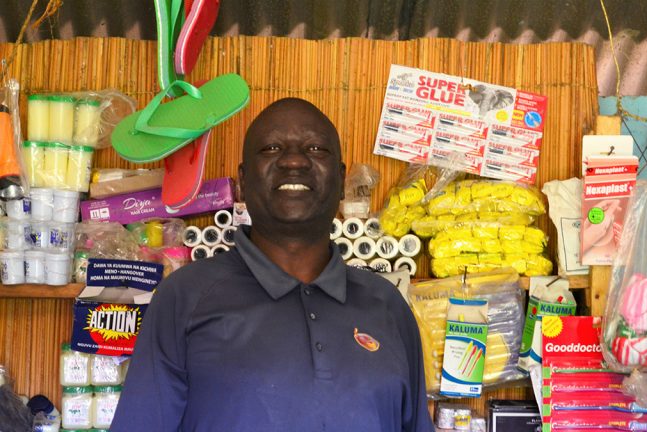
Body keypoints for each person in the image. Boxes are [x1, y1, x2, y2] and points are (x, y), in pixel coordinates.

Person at [111, 98, 434, 431]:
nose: (294, 160)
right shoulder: (185, 297)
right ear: (243, 181)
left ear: (341, 181)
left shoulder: (387, 305)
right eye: (271, 148)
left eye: (316, 149)